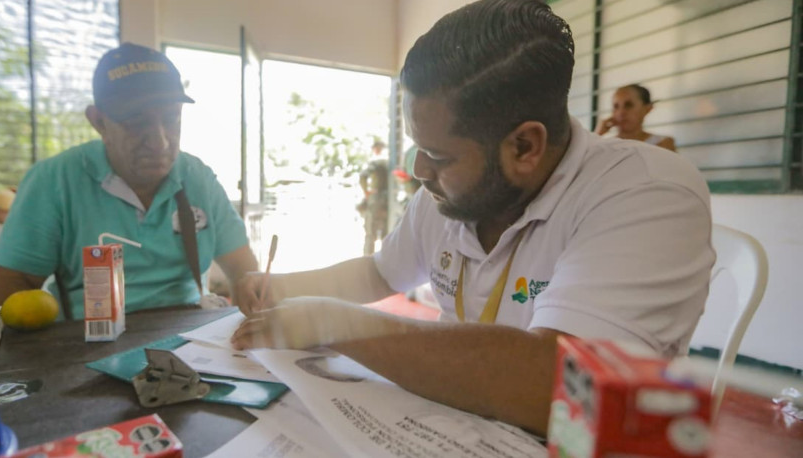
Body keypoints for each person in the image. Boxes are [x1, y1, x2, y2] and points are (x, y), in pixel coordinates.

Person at [231, 0, 713, 436]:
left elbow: (559, 384)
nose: (419, 172)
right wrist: (284, 289)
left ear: (525, 146)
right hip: (449, 426)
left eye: (437, 156)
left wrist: (332, 323)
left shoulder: (647, 190)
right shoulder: (448, 194)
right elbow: (380, 271)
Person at [0, 43, 259, 318]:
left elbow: (242, 266)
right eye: (137, 122)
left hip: (187, 335)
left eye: (171, 119)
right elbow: (13, 283)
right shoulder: (54, 181)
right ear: (99, 122)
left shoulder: (197, 177)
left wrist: (248, 284)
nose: (160, 142)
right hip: (88, 339)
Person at [596, 84, 676, 152]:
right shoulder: (604, 146)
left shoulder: (663, 144)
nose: (621, 112)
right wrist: (597, 135)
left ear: (647, 109)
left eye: (628, 105)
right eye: (616, 106)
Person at [357, 140, 389, 255]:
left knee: (371, 233)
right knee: (387, 232)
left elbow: (363, 176)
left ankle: (367, 259)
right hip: (389, 199)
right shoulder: (391, 162)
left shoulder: (376, 162)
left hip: (376, 199)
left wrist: (366, 191)